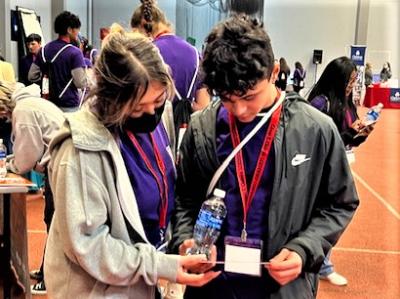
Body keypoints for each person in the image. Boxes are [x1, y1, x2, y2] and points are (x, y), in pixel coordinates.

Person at [169, 15, 359, 299]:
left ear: (273, 73)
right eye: (228, 98)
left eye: (249, 96)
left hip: (282, 288)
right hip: (213, 287)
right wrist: (185, 241)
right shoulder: (202, 128)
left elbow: (340, 204)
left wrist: (303, 249)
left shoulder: (315, 129)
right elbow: (184, 199)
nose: (240, 110)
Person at [44, 31, 219, 299]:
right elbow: (89, 247)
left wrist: (180, 244)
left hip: (140, 284)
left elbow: (163, 195)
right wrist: (159, 265)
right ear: (112, 101)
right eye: (138, 108)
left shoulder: (157, 123)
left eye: (159, 101)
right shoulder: (79, 151)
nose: (151, 113)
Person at [308, 56, 373, 286]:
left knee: (335, 213)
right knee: (323, 214)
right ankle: (320, 264)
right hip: (320, 169)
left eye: (354, 81)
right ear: (337, 79)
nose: (352, 85)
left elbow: (346, 140)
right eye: (349, 80)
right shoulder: (319, 103)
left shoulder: (347, 103)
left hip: (341, 165)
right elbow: (319, 141)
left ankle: (321, 262)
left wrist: (361, 134)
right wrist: (346, 136)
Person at [0, 81, 65, 295]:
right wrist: (12, 160)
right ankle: (48, 268)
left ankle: (52, 277)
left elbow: (26, 159)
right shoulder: (30, 103)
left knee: (57, 223)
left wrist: (9, 164)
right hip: (59, 164)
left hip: (61, 166)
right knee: (52, 220)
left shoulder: (23, 110)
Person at [28, 11, 87, 112]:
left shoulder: (43, 50)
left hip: (47, 104)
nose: (78, 32)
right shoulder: (75, 52)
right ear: (69, 30)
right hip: (68, 105)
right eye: (77, 29)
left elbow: (32, 76)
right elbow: (80, 83)